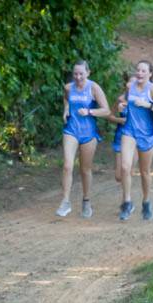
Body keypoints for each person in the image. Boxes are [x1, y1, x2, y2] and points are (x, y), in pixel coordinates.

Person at [117, 60, 153, 221]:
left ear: (150, 74)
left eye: (143, 71)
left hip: (147, 135)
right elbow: (126, 102)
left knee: (145, 172)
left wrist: (148, 105)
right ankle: (127, 202)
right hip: (129, 131)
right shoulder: (130, 87)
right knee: (125, 167)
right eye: (138, 70)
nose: (139, 73)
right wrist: (123, 106)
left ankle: (146, 201)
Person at [57, 60, 111, 218]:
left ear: (88, 72)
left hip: (88, 133)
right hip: (71, 130)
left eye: (81, 73)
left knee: (85, 169)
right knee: (67, 165)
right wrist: (66, 109)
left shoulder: (94, 88)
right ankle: (65, 201)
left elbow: (106, 110)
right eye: (75, 74)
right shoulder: (68, 87)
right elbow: (66, 99)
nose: (78, 77)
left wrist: (89, 112)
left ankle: (86, 201)